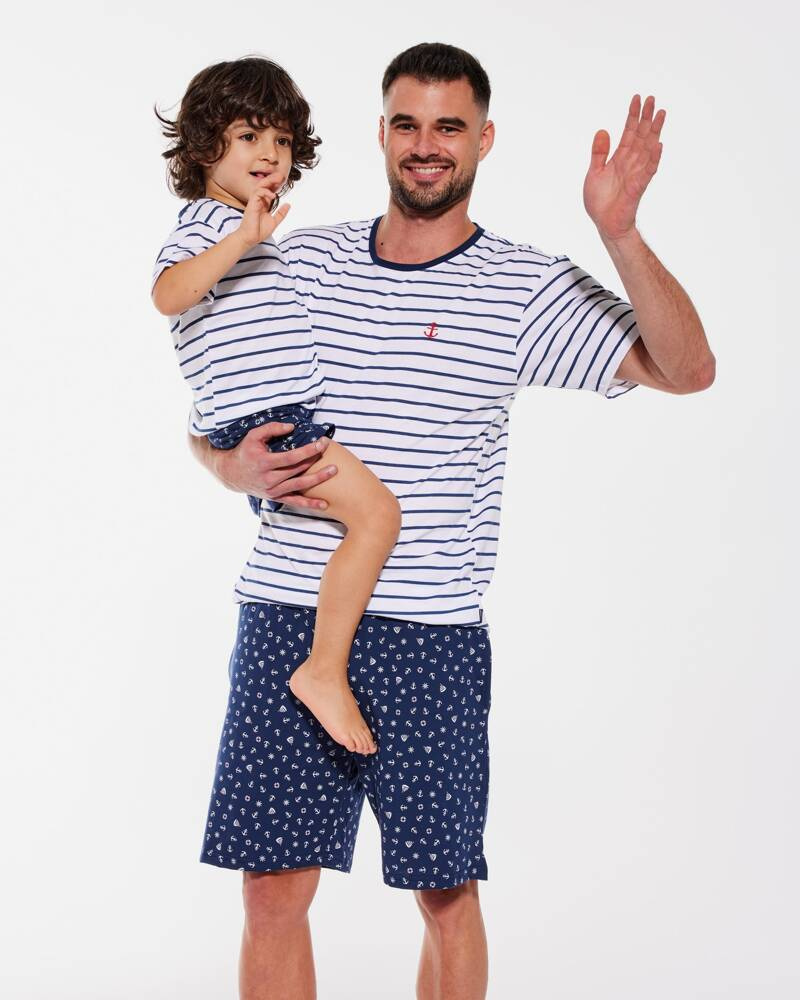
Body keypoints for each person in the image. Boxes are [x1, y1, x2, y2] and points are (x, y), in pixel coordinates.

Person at [190, 43, 715, 1000]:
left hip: (429, 633)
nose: (426, 145)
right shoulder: (295, 257)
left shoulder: (523, 286)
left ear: (484, 138)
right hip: (287, 616)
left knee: (443, 893)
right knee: (270, 891)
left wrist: (622, 232)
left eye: (449, 126)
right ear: (381, 133)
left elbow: (687, 369)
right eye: (407, 123)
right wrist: (228, 464)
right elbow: (213, 402)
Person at [153, 57, 404, 756]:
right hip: (273, 426)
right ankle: (322, 670)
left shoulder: (252, 232)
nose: (269, 154)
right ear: (204, 146)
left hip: (279, 420)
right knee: (379, 516)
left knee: (343, 529)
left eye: (283, 141)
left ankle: (326, 658)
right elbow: (168, 295)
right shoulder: (210, 226)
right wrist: (240, 239)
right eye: (248, 137)